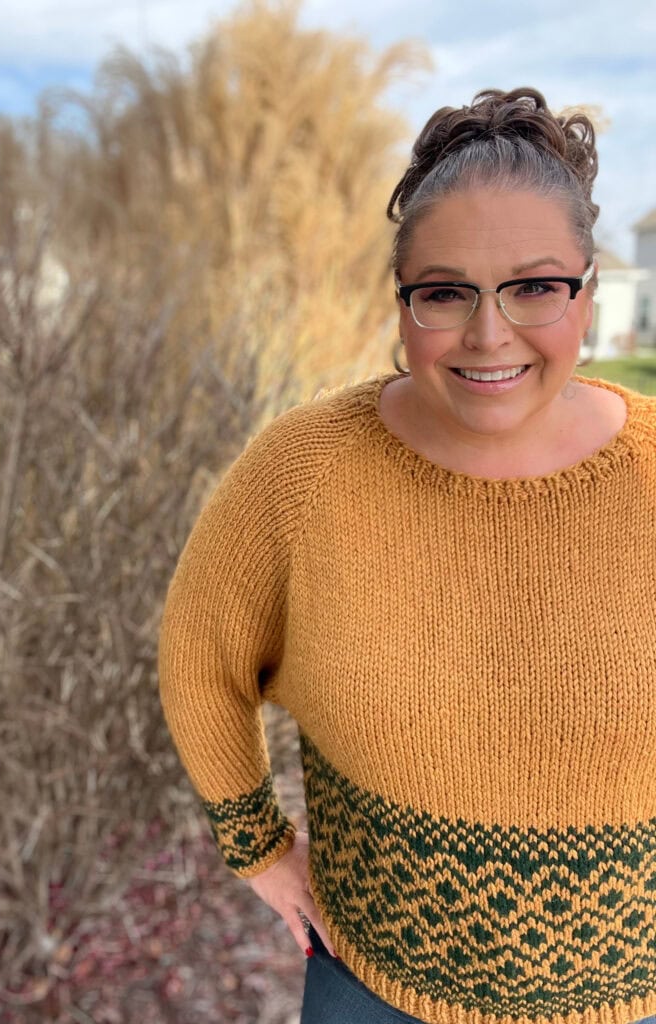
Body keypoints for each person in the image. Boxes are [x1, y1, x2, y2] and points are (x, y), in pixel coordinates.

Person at [158, 87, 656, 1024]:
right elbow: (200, 655)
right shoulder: (307, 470)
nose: (489, 332)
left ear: (588, 289)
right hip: (370, 991)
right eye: (445, 292)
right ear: (404, 302)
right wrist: (258, 847)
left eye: (536, 285)